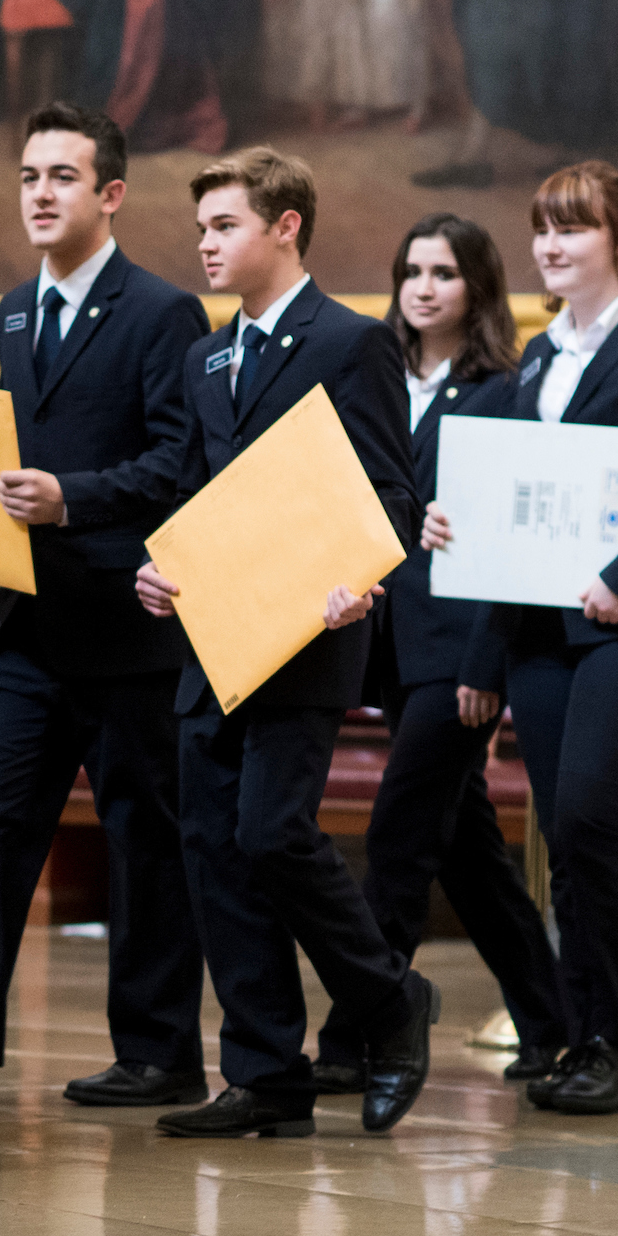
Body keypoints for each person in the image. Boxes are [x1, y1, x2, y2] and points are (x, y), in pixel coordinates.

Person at [424, 160, 618, 1114]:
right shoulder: (533, 363)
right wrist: (458, 541)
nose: (552, 247)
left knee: (597, 817)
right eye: (542, 230)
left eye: (573, 229)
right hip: (540, 637)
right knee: (566, 831)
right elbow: (507, 519)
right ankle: (580, 1031)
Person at [134, 146, 438, 1139]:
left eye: (224, 226)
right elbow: (190, 489)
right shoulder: (205, 356)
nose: (205, 246)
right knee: (216, 850)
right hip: (213, 633)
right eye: (201, 230)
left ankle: (390, 1003)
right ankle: (267, 1073)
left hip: (310, 633)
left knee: (273, 832)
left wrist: (363, 582)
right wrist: (155, 568)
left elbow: (393, 490)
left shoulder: (351, 343)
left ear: (285, 226)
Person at [0, 102, 210, 1111]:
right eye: (29, 176)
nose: (41, 194)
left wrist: (74, 498)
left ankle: (158, 1052)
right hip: (25, 628)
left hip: (127, 629)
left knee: (145, 839)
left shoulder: (161, 312)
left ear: (110, 195)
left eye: (62, 176)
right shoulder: (9, 309)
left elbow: (181, 463)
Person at [311, 212, 565, 1091]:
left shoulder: (504, 385)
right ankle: (553, 1021)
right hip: (384, 641)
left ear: (478, 287)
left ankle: (360, 1037)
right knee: (470, 855)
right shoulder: (375, 370)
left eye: (445, 273)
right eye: (412, 269)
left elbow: (514, 538)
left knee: (400, 836)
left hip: (459, 649)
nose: (424, 287)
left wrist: (486, 670)